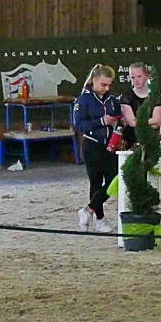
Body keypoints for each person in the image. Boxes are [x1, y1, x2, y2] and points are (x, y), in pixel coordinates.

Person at [72, 64, 121, 233]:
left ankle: (88, 210)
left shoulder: (112, 99)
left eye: (109, 85)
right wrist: (102, 121)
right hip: (92, 145)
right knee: (96, 181)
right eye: (103, 84)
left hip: (111, 146)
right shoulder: (83, 100)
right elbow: (79, 125)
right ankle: (100, 219)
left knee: (114, 179)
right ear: (94, 80)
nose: (106, 88)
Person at [119, 62, 161, 149]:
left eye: (139, 76)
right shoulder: (127, 97)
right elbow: (132, 123)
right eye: (133, 77)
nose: (136, 80)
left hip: (150, 140)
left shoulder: (155, 97)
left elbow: (157, 123)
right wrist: (151, 121)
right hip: (131, 140)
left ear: (147, 76)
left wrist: (138, 121)